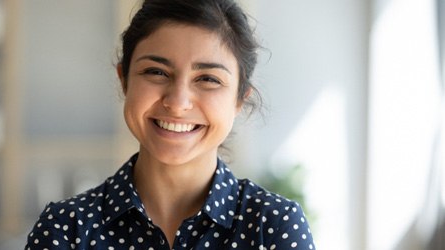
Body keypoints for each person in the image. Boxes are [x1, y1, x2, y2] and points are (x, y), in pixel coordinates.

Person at [25, 0, 316, 249]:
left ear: (239, 99)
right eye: (156, 72)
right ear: (124, 79)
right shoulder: (67, 228)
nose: (177, 103)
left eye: (208, 79)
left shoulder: (274, 227)